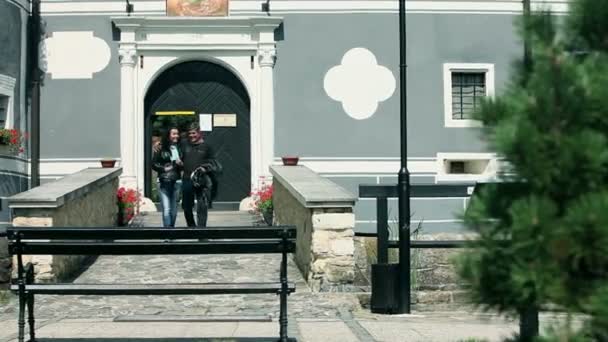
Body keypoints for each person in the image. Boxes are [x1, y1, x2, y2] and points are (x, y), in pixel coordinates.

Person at [181, 122, 221, 227]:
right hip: (187, 179)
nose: (191, 136)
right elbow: (170, 145)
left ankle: (201, 231)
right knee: (186, 206)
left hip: (202, 181)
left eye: (194, 133)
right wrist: (159, 145)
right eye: (189, 133)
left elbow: (214, 163)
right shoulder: (184, 144)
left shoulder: (206, 146)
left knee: (202, 206)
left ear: (199, 133)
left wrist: (205, 168)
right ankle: (192, 227)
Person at [151, 127, 183, 227]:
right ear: (168, 135)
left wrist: (181, 163)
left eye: (177, 134)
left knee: (173, 211)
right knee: (166, 209)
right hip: (163, 181)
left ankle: (171, 230)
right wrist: (163, 169)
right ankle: (167, 234)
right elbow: (153, 164)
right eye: (174, 134)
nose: (176, 136)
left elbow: (185, 162)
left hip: (176, 181)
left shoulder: (180, 147)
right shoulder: (160, 147)